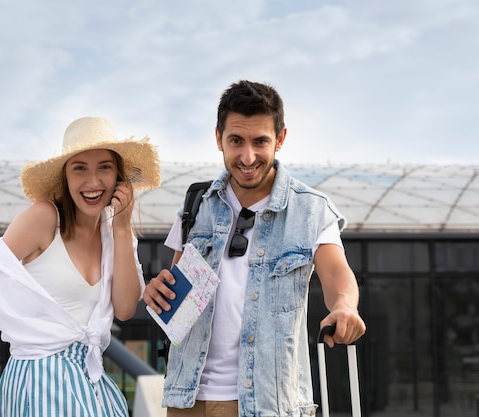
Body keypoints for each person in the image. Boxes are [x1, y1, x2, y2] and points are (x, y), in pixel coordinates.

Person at [143, 80, 366, 417]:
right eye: (236, 141)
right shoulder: (195, 206)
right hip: (187, 400)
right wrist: (157, 292)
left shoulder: (311, 210)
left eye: (260, 141)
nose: (248, 157)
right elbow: (178, 293)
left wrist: (346, 307)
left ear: (280, 139)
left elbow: (337, 273)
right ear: (218, 138)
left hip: (268, 404)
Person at [0, 116, 160, 416]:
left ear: (118, 176)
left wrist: (121, 228)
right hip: (38, 380)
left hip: (89, 381)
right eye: (80, 168)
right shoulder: (44, 218)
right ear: (65, 176)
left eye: (104, 167)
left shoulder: (116, 232)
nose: (93, 182)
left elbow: (125, 308)